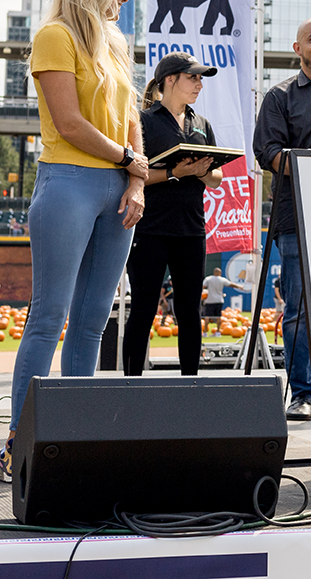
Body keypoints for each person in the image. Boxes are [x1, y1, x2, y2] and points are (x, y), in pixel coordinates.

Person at [0, 0, 148, 484]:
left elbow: (131, 115)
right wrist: (133, 162)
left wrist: (136, 179)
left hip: (118, 187)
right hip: (68, 184)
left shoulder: (115, 41)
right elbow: (69, 125)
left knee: (90, 325)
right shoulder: (54, 35)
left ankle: (76, 441)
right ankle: (19, 444)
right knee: (48, 319)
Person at [253, 16, 311, 421]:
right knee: (298, 309)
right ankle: (304, 394)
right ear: (298, 49)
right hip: (297, 218)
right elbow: (267, 151)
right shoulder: (279, 97)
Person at [123, 52, 224, 377]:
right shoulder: (144, 121)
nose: (199, 85)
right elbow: (133, 174)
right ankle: (130, 385)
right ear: (170, 80)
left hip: (191, 230)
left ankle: (190, 385)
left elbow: (216, 178)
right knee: (143, 308)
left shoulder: (201, 123)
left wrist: (201, 171)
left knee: (189, 311)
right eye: (193, 77)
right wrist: (175, 172)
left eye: (200, 79)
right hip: (150, 229)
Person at [202, 268, 235, 333]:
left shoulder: (208, 279)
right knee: (218, 316)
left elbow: (203, 286)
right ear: (220, 273)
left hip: (210, 300)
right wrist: (240, 287)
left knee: (207, 317)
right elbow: (230, 284)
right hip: (219, 300)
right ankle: (218, 332)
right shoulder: (222, 279)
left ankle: (205, 332)